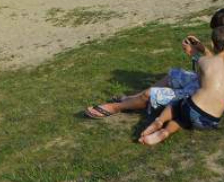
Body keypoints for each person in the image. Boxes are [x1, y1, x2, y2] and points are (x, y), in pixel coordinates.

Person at [85, 9, 224, 119]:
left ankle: (116, 107)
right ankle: (132, 99)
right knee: (173, 75)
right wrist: (202, 49)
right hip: (204, 83)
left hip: (206, 96)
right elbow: (217, 63)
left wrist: (194, 54)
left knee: (150, 94)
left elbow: (212, 71)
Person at [139, 26, 224, 145]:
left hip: (192, 108)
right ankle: (166, 132)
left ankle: (160, 121)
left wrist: (193, 51)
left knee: (177, 105)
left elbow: (200, 73)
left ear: (212, 43)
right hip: (210, 121)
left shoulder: (206, 61)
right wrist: (201, 48)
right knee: (183, 121)